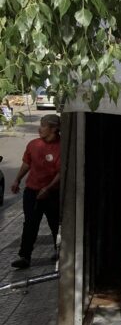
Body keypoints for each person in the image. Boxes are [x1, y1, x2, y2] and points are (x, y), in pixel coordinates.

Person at [10, 114, 62, 269]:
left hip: (52, 194)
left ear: (53, 129)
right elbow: (27, 163)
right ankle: (24, 256)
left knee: (55, 224)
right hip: (32, 192)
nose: (40, 129)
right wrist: (17, 179)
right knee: (30, 224)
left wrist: (48, 188)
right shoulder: (33, 144)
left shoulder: (62, 147)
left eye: (43, 126)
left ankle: (58, 251)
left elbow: (61, 172)